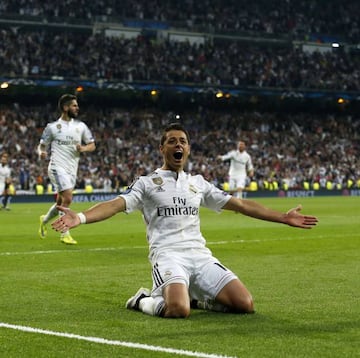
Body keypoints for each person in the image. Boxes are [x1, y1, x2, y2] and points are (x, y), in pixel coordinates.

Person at [51, 123, 318, 318]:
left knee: (244, 304)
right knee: (177, 309)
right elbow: (116, 204)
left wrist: (283, 217)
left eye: (183, 141)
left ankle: (197, 298)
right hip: (168, 256)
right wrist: (82, 217)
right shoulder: (146, 183)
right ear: (162, 148)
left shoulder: (197, 183)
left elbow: (240, 204)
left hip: (200, 256)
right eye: (172, 141)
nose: (178, 145)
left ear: (188, 149)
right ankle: (143, 298)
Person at [38, 94, 96, 245]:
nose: (77, 108)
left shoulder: (81, 126)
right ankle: (65, 233)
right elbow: (42, 144)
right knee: (68, 198)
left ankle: (44, 220)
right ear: (65, 107)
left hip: (72, 170)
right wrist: (41, 152)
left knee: (60, 202)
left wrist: (83, 148)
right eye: (74, 105)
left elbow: (92, 144)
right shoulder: (52, 127)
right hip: (57, 167)